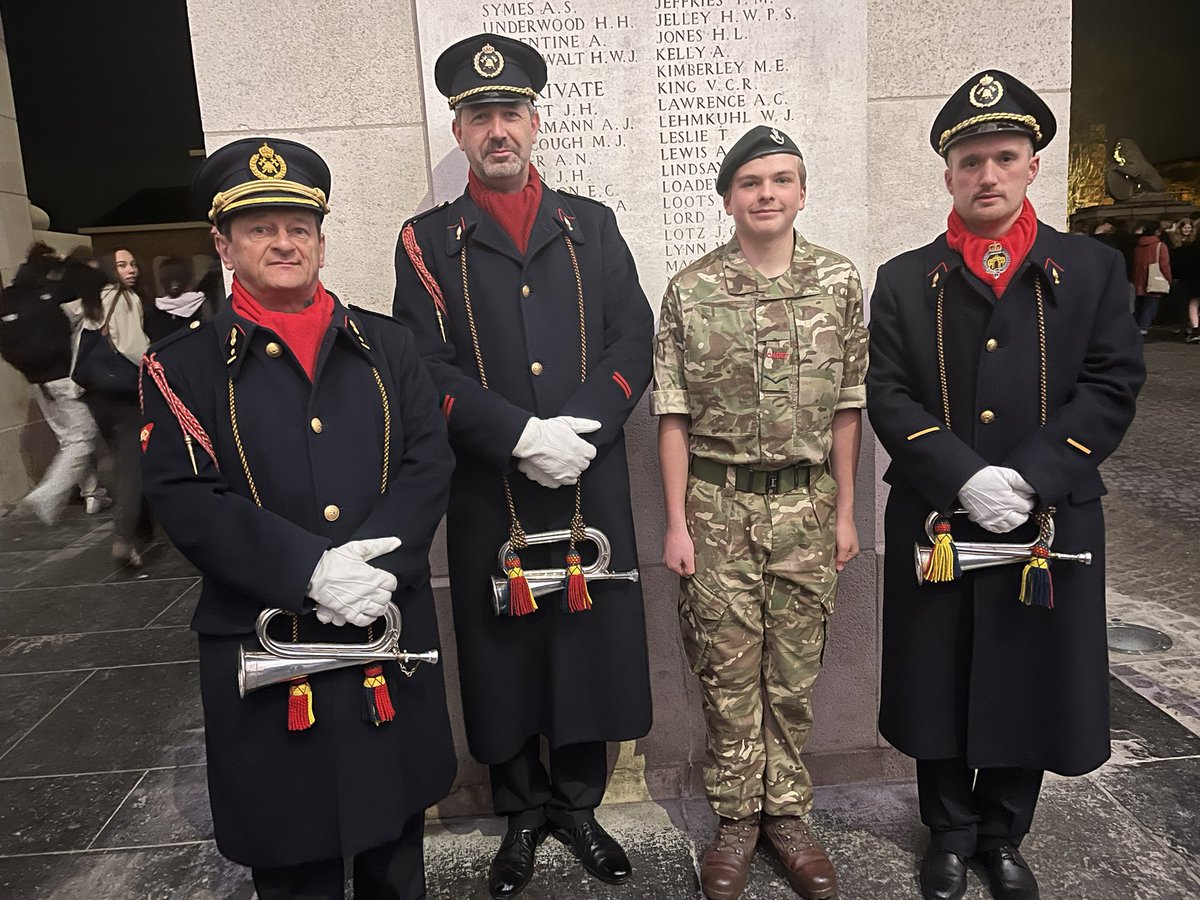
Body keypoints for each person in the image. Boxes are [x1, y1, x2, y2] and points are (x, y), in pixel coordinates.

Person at [139, 137, 457, 899]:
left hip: (383, 620)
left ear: (320, 236)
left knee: (394, 847)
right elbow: (185, 496)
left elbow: (429, 459)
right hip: (267, 640)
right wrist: (311, 569)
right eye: (259, 228)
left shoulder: (388, 344)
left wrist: (377, 564)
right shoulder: (179, 366)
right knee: (293, 856)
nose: (283, 242)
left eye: (299, 226)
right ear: (223, 244)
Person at [867, 71, 1145, 900]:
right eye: (969, 161)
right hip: (939, 520)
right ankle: (948, 833)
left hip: (1048, 520)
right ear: (948, 174)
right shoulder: (904, 277)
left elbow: (1112, 384)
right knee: (937, 676)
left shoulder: (1091, 269)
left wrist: (1027, 477)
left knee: (1031, 674)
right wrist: (963, 476)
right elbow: (889, 392)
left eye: (1003, 157)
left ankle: (1004, 833)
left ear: (1030, 166)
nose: (986, 174)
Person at [392, 33, 653, 900]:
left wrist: (580, 425)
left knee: (584, 641)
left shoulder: (593, 224)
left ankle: (578, 805)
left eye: (510, 113)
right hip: (490, 481)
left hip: (586, 470)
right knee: (503, 647)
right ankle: (521, 812)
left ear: (534, 122)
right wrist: (516, 435)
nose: (496, 129)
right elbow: (426, 366)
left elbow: (632, 338)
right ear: (459, 131)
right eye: (478, 116)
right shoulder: (427, 241)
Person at [651, 125, 867, 900]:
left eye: (781, 180)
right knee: (728, 670)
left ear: (802, 192)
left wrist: (845, 511)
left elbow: (849, 406)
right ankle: (737, 819)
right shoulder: (691, 290)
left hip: (808, 506)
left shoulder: (839, 282)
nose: (767, 194)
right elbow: (670, 416)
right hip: (716, 508)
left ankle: (789, 817)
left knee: (793, 674)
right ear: (727, 198)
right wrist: (675, 523)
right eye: (751, 182)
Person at [1, 243, 110, 524]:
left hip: (38, 380)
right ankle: (48, 494)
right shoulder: (57, 289)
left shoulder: (14, 294)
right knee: (83, 437)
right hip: (65, 376)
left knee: (68, 439)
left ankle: (92, 494)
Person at [76, 247, 154, 564]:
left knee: (126, 457)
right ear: (110, 268)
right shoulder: (125, 298)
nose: (131, 269)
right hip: (124, 391)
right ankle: (123, 536)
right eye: (122, 264)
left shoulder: (95, 298)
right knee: (131, 466)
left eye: (133, 263)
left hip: (98, 395)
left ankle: (144, 526)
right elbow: (135, 347)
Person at [143, 256, 210, 341]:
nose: (173, 281)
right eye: (168, 277)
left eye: (178, 276)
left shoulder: (152, 312)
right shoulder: (203, 304)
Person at [1132, 219, 1171, 336]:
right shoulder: (1160, 245)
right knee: (1150, 305)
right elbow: (1164, 264)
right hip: (1154, 278)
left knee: (1140, 305)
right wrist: (1168, 278)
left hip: (1139, 278)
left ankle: (1135, 327)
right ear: (1157, 231)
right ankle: (1143, 328)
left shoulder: (1138, 246)